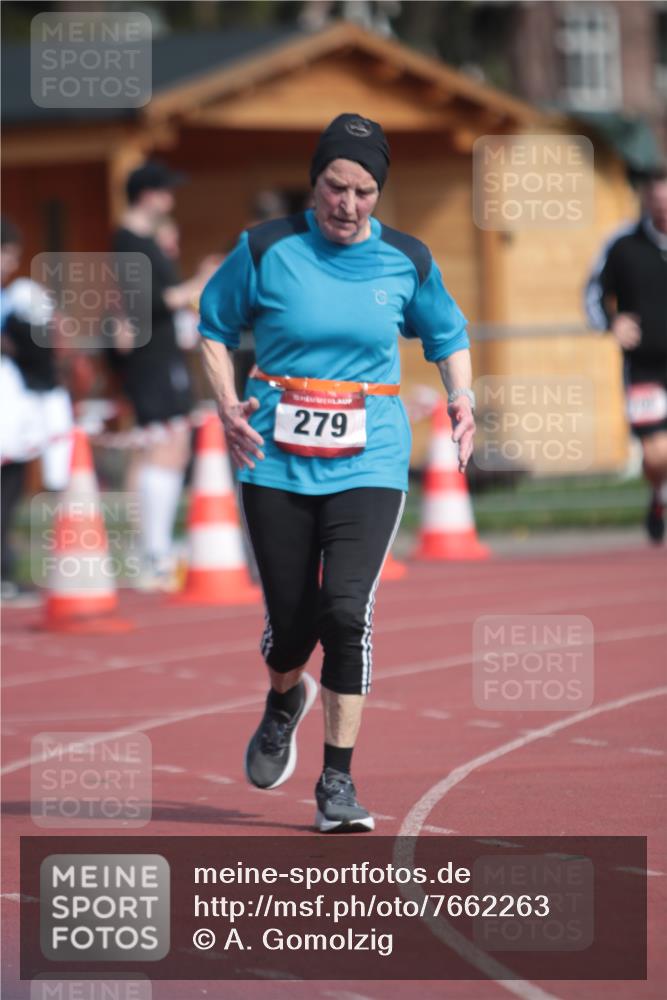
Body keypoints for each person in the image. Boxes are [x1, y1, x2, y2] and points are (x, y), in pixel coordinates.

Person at [199, 113, 475, 832]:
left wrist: (462, 398)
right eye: (335, 186)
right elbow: (213, 329)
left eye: (364, 190)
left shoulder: (405, 261)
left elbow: (447, 334)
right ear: (313, 182)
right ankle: (283, 697)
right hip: (274, 460)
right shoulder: (265, 249)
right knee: (291, 629)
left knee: (345, 612)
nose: (347, 204)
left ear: (378, 193)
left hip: (370, 460)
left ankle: (336, 783)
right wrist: (228, 404)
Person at [111, 161, 213, 588]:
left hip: (160, 354)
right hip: (152, 359)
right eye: (165, 191)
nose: (171, 198)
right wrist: (203, 280)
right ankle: (151, 553)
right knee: (164, 444)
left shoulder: (142, 241)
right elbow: (155, 301)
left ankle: (150, 550)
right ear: (147, 194)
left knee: (162, 446)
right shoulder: (129, 242)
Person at [585, 169, 667, 543]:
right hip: (645, 365)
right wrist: (612, 323)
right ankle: (658, 493)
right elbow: (594, 293)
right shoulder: (622, 244)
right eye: (657, 199)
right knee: (656, 454)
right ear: (647, 201)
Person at [1, 218, 74, 601]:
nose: (12, 262)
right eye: (8, 253)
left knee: (11, 484)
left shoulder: (16, 297)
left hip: (19, 398)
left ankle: (5, 569)